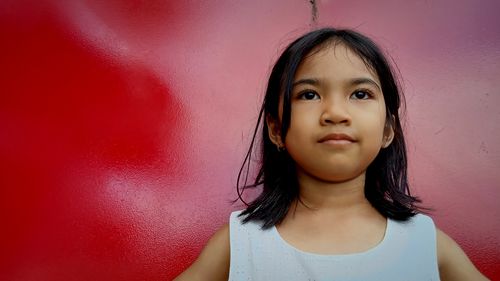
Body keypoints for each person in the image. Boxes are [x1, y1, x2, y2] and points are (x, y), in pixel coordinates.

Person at [175, 27, 489, 280]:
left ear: (387, 130)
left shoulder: (425, 245)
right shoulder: (241, 243)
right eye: (309, 94)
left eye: (360, 94)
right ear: (275, 129)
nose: (336, 113)